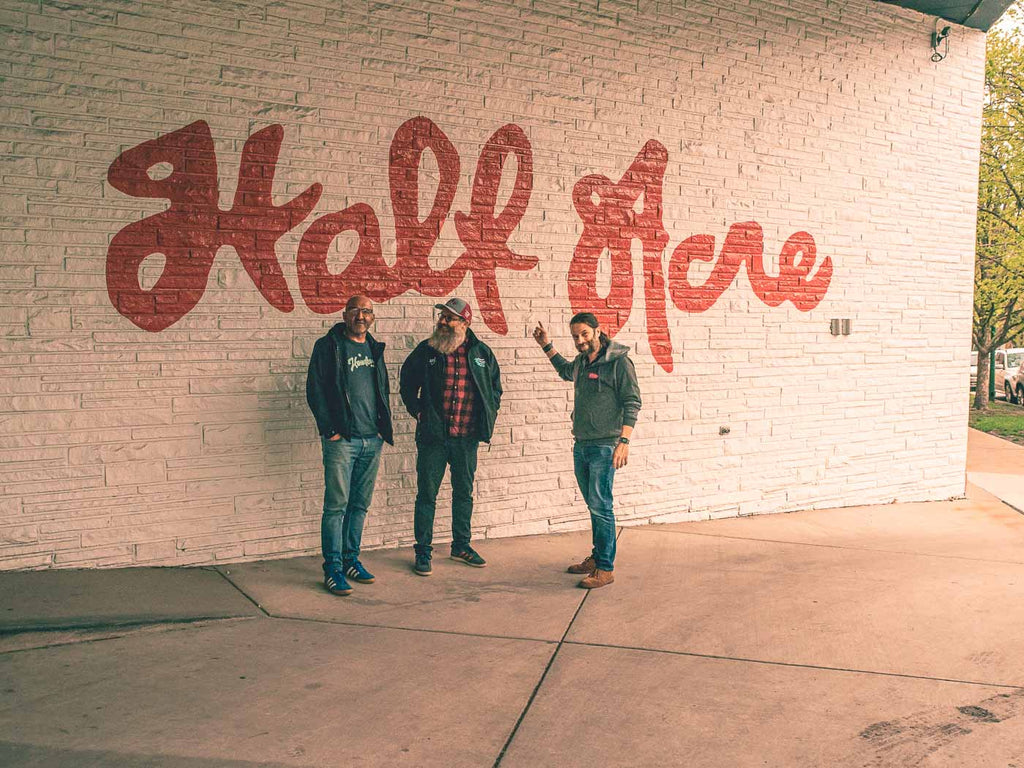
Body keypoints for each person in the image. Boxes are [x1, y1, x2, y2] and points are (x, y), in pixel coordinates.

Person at [532, 313, 641, 589]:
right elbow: (564, 371)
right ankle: (597, 557)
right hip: (581, 445)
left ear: (597, 331)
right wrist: (547, 345)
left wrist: (623, 442)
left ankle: (605, 569)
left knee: (602, 506)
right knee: (594, 506)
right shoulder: (581, 363)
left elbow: (632, 403)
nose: (580, 341)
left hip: (605, 447)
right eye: (575, 337)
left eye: (584, 334)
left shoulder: (619, 363)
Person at [399, 298, 502, 576]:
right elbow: (406, 382)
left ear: (465, 323)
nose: (443, 322)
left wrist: (488, 416)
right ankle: (423, 550)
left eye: (450, 318)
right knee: (427, 495)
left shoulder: (481, 353)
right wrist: (418, 412)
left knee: (464, 494)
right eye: (442, 317)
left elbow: (495, 389)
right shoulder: (428, 350)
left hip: (466, 438)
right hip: (434, 437)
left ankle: (461, 546)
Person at [305, 295, 394, 596]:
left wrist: (382, 430)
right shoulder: (328, 347)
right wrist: (329, 430)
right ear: (344, 315)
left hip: (372, 440)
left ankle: (351, 559)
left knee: (359, 504)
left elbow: (382, 389)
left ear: (373, 317)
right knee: (336, 506)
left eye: (367, 311)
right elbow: (314, 389)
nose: (361, 315)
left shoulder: (374, 348)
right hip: (342, 440)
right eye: (356, 310)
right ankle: (332, 568)